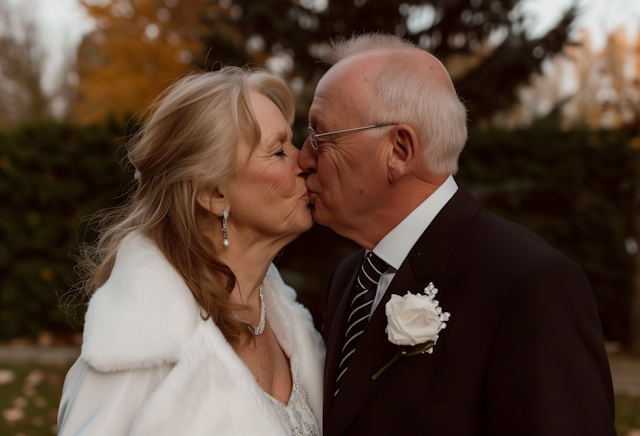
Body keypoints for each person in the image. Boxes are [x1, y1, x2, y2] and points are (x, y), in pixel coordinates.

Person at [299, 33, 616, 436]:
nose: (303, 158)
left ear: (398, 150)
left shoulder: (530, 285)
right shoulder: (349, 277)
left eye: (319, 136)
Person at [57, 67, 324, 436]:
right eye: (279, 151)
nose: (305, 161)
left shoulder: (293, 325)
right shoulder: (140, 343)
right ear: (215, 195)